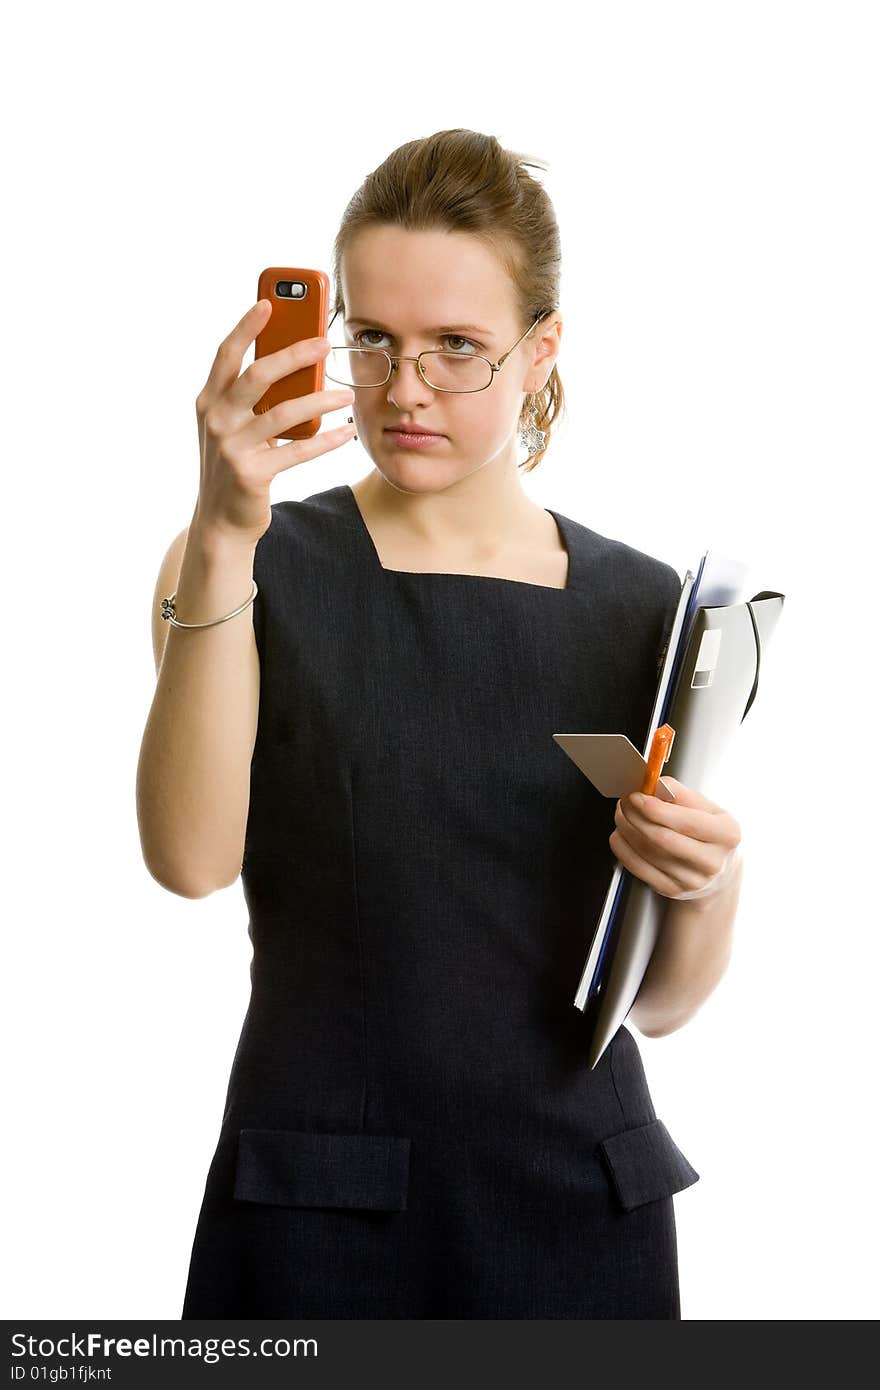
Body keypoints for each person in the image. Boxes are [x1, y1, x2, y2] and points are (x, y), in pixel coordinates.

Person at [136, 128, 743, 1319]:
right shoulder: (254, 564)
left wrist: (710, 878)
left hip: (585, 1207)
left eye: (456, 348)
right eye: (372, 339)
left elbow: (659, 1005)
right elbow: (189, 859)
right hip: (322, 1219)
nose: (403, 390)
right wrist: (219, 532)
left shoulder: (646, 606)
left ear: (539, 350)